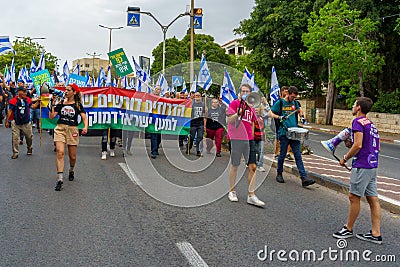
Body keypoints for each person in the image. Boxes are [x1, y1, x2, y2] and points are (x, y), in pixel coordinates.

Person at [333, 97, 382, 244]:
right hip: (373, 165)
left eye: (354, 104)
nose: (352, 107)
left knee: (354, 197)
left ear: (359, 107)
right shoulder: (371, 125)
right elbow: (377, 147)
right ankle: (376, 233)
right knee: (373, 199)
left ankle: (348, 229)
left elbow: (358, 145)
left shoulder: (357, 122)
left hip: (362, 165)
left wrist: (345, 158)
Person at [268, 86, 315, 187]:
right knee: (283, 154)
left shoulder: (295, 103)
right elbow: (270, 112)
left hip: (294, 133)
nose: (293, 99)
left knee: (298, 155)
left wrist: (302, 117)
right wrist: (279, 117)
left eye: (295, 97)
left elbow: (300, 110)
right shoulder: (280, 103)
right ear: (288, 94)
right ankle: (279, 173)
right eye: (292, 97)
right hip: (284, 132)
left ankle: (304, 178)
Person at [227, 84, 265, 207]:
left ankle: (251, 195)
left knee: (253, 166)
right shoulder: (234, 104)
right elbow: (229, 121)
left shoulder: (251, 107)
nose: (244, 93)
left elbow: (253, 123)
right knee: (235, 165)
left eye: (247, 91)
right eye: (243, 91)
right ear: (240, 92)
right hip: (236, 138)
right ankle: (232, 191)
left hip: (249, 139)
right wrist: (238, 113)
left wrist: (253, 136)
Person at [49, 83, 88, 191]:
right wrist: (52, 103)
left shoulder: (77, 104)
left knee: (72, 157)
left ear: (74, 92)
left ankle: (71, 170)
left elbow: (84, 117)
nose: (65, 92)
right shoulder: (61, 103)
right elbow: (52, 117)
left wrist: (85, 127)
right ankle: (60, 179)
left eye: (68, 90)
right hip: (60, 129)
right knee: (60, 152)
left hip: (72, 130)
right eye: (65, 90)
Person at [5, 86, 40, 159]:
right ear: (19, 92)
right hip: (16, 122)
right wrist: (7, 121)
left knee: (29, 137)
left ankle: (29, 147)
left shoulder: (28, 100)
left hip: (26, 122)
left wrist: (38, 101)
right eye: (23, 91)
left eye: (25, 91)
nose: (25, 93)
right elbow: (10, 111)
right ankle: (15, 152)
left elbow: (33, 106)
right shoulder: (13, 101)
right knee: (15, 138)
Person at [186, 92, 206, 157]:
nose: (197, 96)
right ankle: (188, 147)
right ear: (194, 96)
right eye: (196, 95)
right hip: (193, 123)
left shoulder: (203, 104)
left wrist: (205, 125)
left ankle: (198, 151)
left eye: (199, 95)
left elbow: (205, 115)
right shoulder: (191, 103)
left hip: (200, 124)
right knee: (191, 138)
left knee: (199, 138)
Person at [150, 86, 162, 158]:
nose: (157, 90)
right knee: (153, 136)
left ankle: (156, 148)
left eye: (159, 89)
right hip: (152, 120)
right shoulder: (150, 98)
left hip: (160, 121)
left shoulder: (163, 99)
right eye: (156, 89)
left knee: (159, 137)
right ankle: (153, 151)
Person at [254, 105, 266, 172]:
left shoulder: (262, 117)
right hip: (253, 135)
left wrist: (265, 135)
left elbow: (263, 127)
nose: (256, 109)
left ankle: (260, 165)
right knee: (253, 150)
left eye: (257, 108)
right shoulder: (251, 117)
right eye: (255, 108)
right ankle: (251, 162)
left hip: (261, 136)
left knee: (261, 151)